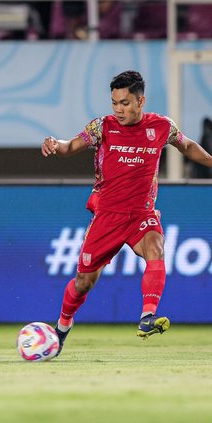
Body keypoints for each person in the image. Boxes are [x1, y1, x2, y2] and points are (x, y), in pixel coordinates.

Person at [41, 70, 212, 356]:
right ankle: (61, 329)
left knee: (156, 248)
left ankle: (147, 317)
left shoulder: (161, 126)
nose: (118, 109)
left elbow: (187, 146)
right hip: (107, 215)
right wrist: (53, 143)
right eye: (114, 103)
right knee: (84, 282)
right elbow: (70, 146)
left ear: (140, 101)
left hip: (141, 214)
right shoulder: (102, 127)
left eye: (125, 103)